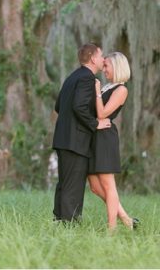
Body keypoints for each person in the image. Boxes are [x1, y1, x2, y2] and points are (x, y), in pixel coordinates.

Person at [52, 43, 111, 223]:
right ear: (93, 58)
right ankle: (69, 225)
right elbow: (79, 107)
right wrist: (96, 124)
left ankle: (60, 221)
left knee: (64, 183)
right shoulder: (87, 78)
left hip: (63, 139)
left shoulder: (72, 77)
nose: (103, 60)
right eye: (101, 56)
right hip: (76, 141)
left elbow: (58, 106)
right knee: (73, 185)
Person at [88, 52, 139, 230]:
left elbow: (102, 114)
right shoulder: (108, 87)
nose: (104, 68)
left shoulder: (121, 90)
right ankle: (126, 219)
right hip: (94, 136)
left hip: (105, 139)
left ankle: (112, 230)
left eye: (107, 65)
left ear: (117, 67)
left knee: (109, 186)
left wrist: (96, 91)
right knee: (94, 186)